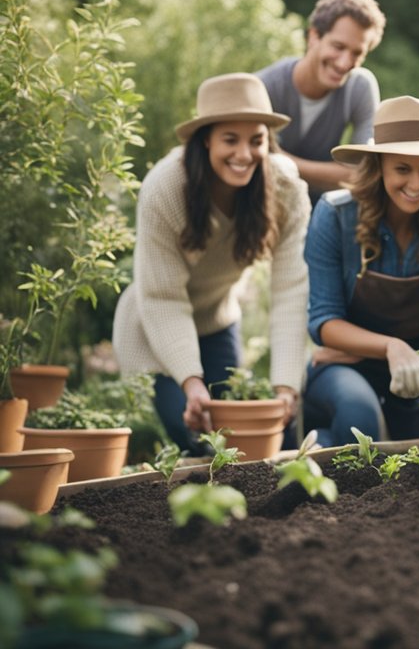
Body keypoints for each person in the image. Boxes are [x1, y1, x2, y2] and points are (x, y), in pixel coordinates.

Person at [113, 73, 310, 455]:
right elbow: (164, 297)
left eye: (256, 140)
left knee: (267, 440)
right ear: (206, 140)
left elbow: (291, 291)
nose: (244, 154)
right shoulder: (166, 188)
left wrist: (286, 384)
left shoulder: (284, 189)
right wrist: (191, 381)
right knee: (202, 441)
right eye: (230, 140)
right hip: (154, 328)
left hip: (217, 322)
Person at [302, 96, 419, 448]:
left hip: (418, 367)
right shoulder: (336, 215)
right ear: (379, 166)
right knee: (359, 414)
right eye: (403, 168)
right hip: (346, 365)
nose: (417, 183)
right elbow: (324, 321)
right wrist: (391, 347)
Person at [257, 0, 386, 202]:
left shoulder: (359, 87)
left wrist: (281, 160)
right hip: (264, 208)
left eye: (357, 53)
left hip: (322, 211)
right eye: (338, 46)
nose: (345, 63)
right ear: (313, 36)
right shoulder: (264, 87)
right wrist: (333, 173)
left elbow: (364, 174)